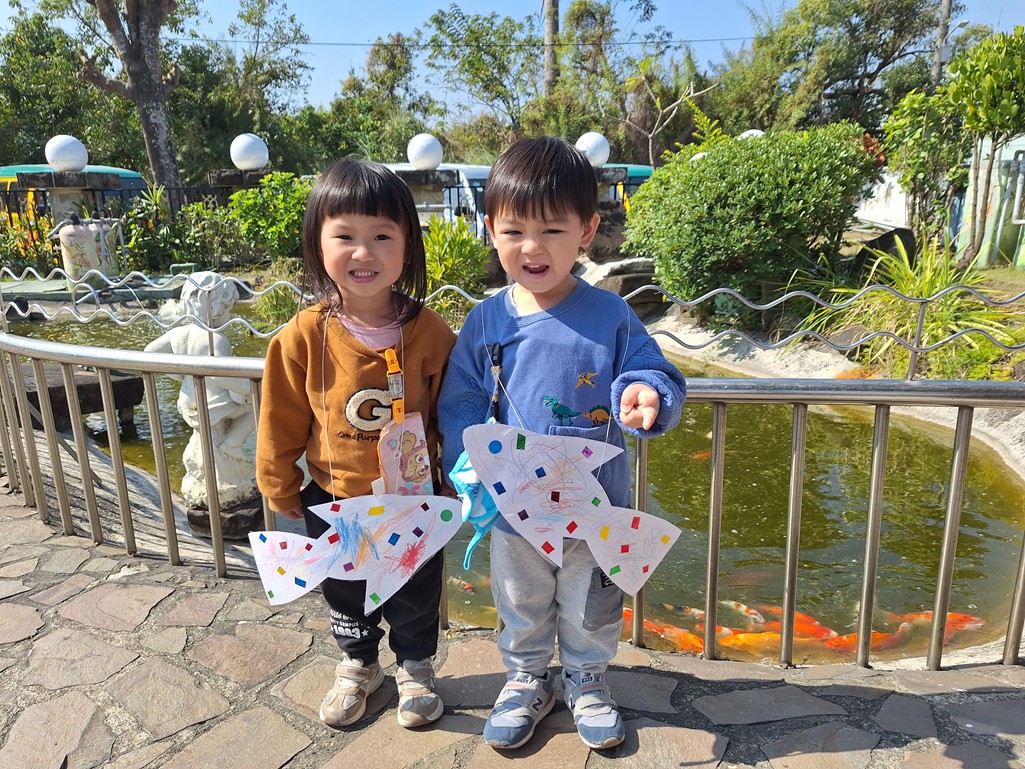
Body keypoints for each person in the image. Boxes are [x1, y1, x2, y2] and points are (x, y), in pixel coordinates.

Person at [438, 136, 686, 751]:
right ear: (490, 230)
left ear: (587, 230)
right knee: (520, 599)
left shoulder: (611, 315)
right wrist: (468, 459)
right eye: (514, 230)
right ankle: (526, 677)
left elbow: (652, 370)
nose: (533, 247)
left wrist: (647, 395)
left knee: (591, 602)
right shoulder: (485, 321)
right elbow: (462, 397)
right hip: (514, 509)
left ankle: (587, 677)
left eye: (552, 230)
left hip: (595, 506)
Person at [256, 160, 456, 730]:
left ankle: (415, 666)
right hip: (334, 495)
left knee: (416, 590)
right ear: (317, 244)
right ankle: (359, 664)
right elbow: (280, 418)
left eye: (382, 237)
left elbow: (451, 414)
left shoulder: (431, 332)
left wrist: (452, 480)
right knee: (345, 588)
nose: (363, 253)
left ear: (408, 247)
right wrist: (280, 485)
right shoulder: (303, 335)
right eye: (344, 236)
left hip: (412, 499)